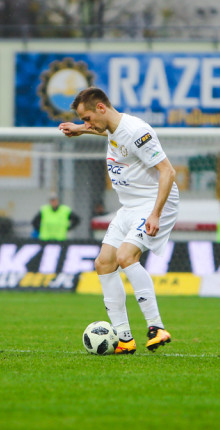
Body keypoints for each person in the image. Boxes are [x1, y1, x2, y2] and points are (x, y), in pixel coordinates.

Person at [60, 87, 177, 354]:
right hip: (129, 206)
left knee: (126, 256)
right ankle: (124, 338)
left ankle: (156, 327)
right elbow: (104, 130)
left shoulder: (137, 131)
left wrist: (155, 214)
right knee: (103, 263)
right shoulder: (111, 127)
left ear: (101, 108)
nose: (87, 123)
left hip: (153, 203)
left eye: (87, 118)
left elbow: (167, 171)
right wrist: (81, 129)